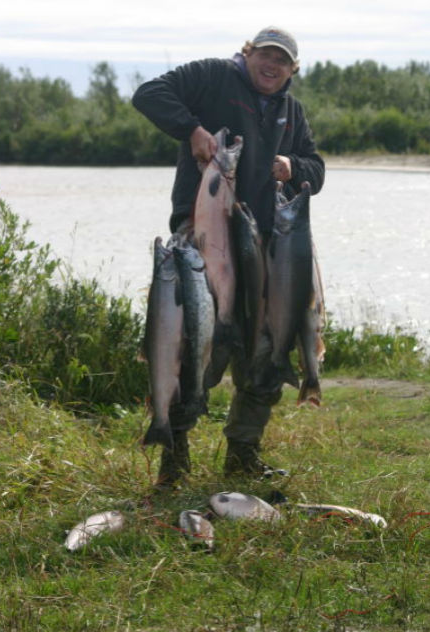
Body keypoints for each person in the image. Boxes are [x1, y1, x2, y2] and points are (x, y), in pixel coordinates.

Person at [132, 26, 325, 486]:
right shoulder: (212, 77)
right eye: (266, 55)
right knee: (199, 344)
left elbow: (315, 169)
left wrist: (294, 166)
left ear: (292, 70)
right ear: (248, 52)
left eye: (282, 60)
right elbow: (148, 94)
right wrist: (192, 129)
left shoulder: (290, 111)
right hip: (201, 236)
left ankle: (243, 453)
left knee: (264, 346)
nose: (272, 65)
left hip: (263, 244)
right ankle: (173, 458)